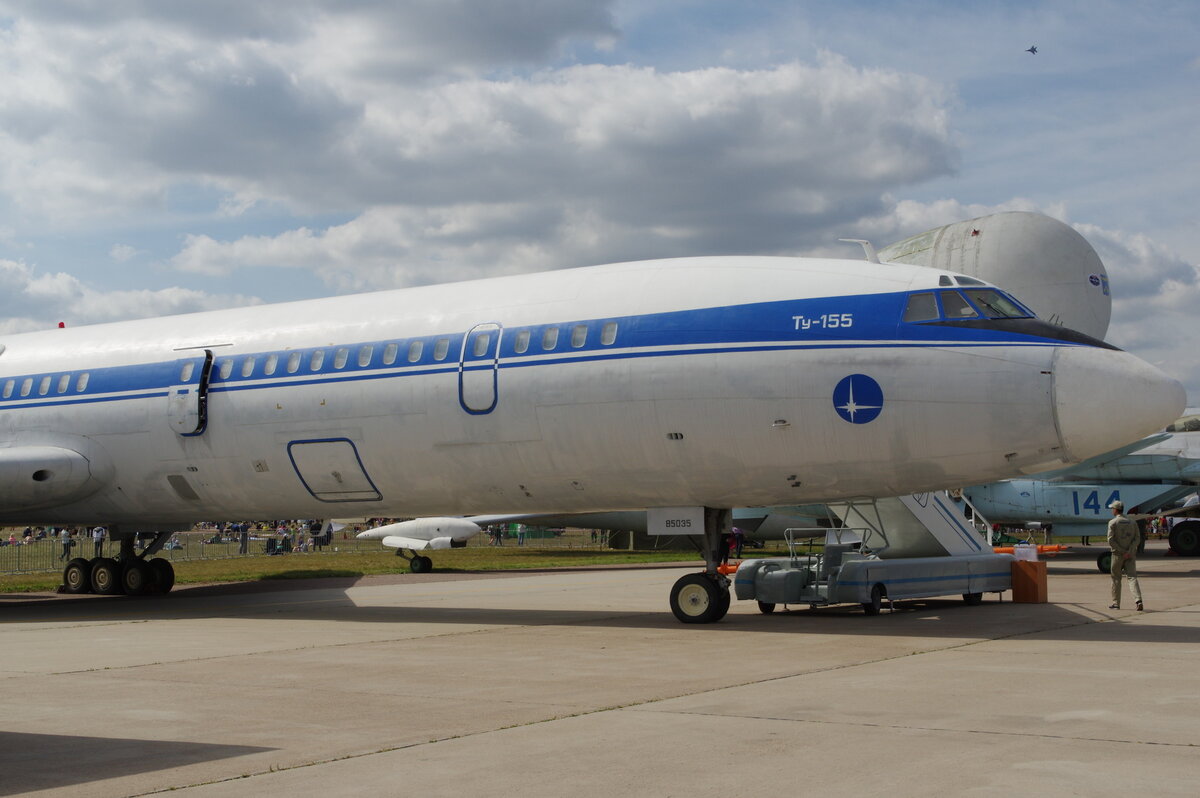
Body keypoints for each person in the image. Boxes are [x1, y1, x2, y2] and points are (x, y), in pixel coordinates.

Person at [1107, 500, 1143, 611]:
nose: (1112, 510)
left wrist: (1122, 552)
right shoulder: (1133, 522)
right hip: (1130, 555)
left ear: (1115, 510)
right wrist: (1129, 551)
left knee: (1116, 579)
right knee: (1132, 578)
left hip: (1117, 555)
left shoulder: (1113, 522)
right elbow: (1137, 538)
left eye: (1112, 508)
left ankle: (1116, 603)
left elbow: (1110, 540)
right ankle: (1138, 600)